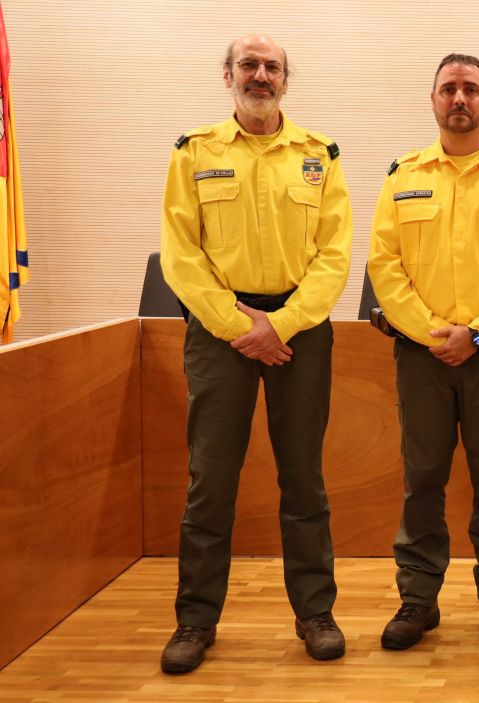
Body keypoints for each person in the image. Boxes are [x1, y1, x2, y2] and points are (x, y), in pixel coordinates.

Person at [158, 34, 352, 673]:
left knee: (304, 479)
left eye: (272, 67)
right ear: (227, 76)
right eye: (250, 65)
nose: (261, 75)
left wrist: (283, 325)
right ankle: (195, 620)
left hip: (300, 332)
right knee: (210, 481)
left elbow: (333, 255)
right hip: (221, 332)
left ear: (286, 81)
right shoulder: (194, 154)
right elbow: (181, 255)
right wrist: (238, 326)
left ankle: (315, 613)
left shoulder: (318, 155)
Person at [368, 53, 479, 652]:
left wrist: (476, 333)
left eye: (471, 88)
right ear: (433, 99)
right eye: (449, 88)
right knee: (423, 479)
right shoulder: (404, 174)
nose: (460, 98)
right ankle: (417, 599)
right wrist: (430, 333)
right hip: (422, 359)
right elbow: (384, 267)